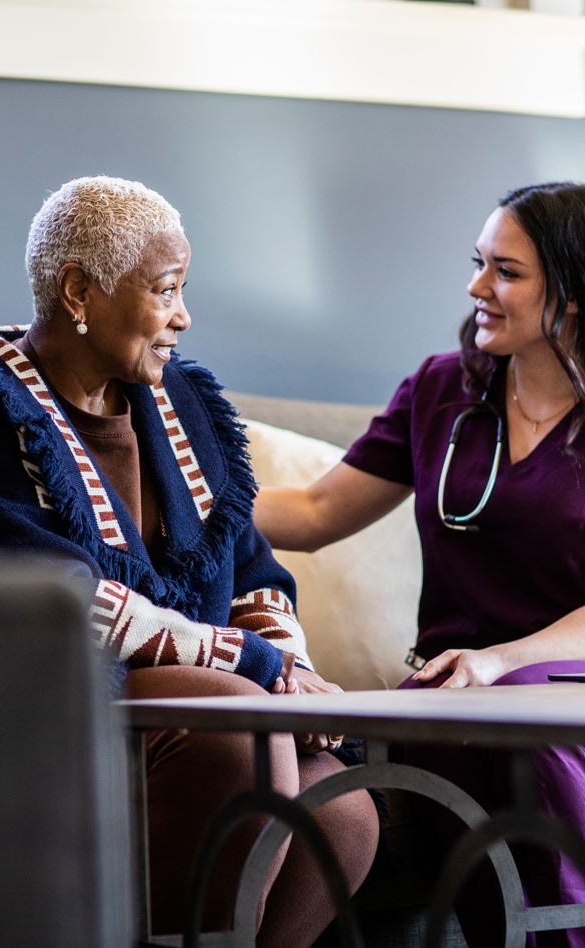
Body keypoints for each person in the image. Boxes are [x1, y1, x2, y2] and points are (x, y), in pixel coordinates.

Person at [0, 176, 378, 945]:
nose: (184, 316)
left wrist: (290, 668)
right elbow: (60, 600)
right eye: (166, 289)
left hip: (209, 696)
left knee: (342, 810)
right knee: (236, 725)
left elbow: (247, 563)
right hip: (57, 713)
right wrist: (254, 668)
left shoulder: (183, 404)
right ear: (79, 291)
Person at [254, 181, 585, 947]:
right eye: (479, 264)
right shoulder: (442, 389)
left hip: (557, 683)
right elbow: (314, 514)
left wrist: (501, 661)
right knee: (446, 710)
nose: (477, 288)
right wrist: (182, 493)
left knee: (506, 721)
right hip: (452, 689)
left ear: (573, 291)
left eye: (506, 272)